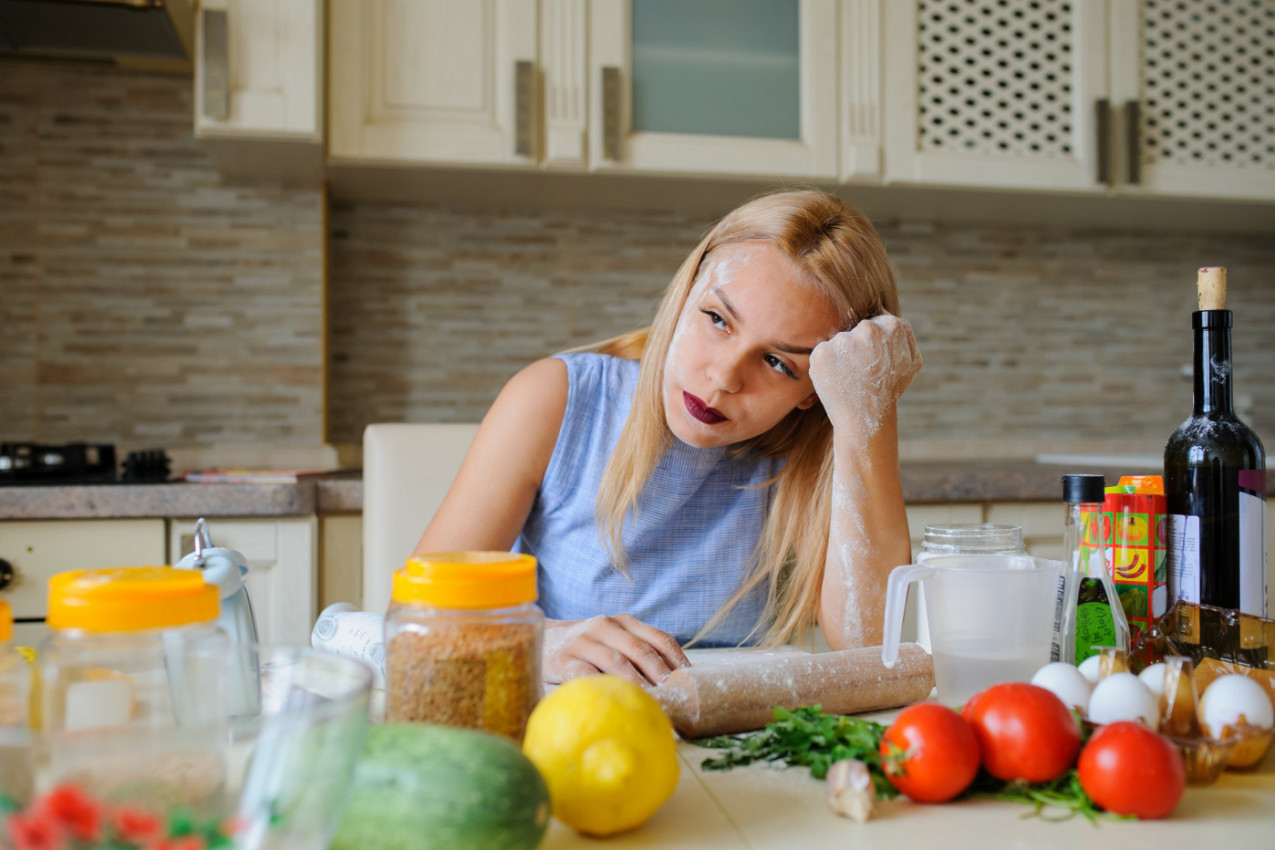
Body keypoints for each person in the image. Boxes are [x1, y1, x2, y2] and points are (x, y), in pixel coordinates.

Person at [414, 188, 921, 687]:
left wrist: (868, 411)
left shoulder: (811, 453)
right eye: (717, 320)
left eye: (777, 362)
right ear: (684, 297)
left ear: (814, 391)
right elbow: (417, 617)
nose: (724, 378)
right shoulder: (556, 399)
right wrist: (537, 641)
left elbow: (870, 646)